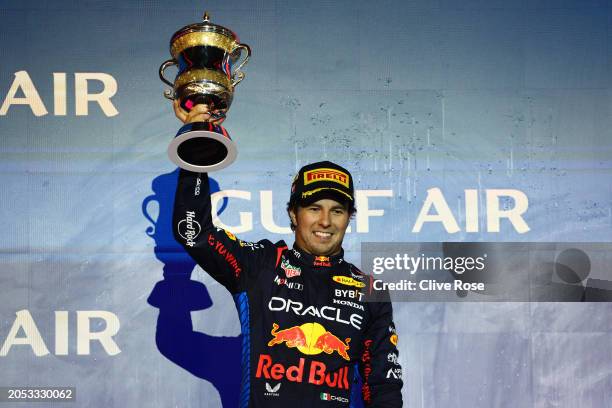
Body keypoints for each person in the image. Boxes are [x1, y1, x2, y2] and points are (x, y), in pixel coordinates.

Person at [171, 102, 403, 407]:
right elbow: (195, 232)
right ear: (293, 214)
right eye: (313, 209)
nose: (325, 221)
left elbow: (383, 385)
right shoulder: (261, 264)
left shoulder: (370, 290)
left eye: (337, 211)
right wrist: (197, 146)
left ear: (349, 218)